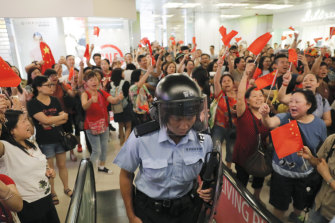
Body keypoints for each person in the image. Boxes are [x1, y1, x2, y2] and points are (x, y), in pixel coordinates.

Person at [114, 74, 213, 223]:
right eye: (177, 119)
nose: (184, 126)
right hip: (149, 210)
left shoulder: (204, 141)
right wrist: (131, 216)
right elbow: (125, 175)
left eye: (190, 118)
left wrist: (209, 189)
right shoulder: (141, 139)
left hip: (186, 210)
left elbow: (208, 174)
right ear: (162, 114)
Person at [259, 89, 327, 221]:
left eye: (297, 101)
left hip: (305, 175)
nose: (292, 104)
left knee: (300, 204)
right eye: (290, 101)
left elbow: (321, 150)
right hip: (282, 174)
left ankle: (295, 216)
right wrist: (265, 115)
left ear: (308, 105)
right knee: (279, 207)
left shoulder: (320, 125)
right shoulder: (284, 118)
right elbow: (269, 123)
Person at [0, 110, 60, 223]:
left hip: (47, 200)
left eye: (27, 119)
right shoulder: (6, 148)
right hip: (28, 206)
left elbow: (40, 165)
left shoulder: (31, 143)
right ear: (12, 130)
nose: (28, 124)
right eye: (23, 121)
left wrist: (49, 171)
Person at [27, 76, 72, 205]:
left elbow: (65, 118)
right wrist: (55, 119)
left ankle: (66, 187)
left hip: (59, 138)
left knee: (62, 165)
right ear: (39, 88)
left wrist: (50, 122)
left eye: (52, 84)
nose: (52, 87)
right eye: (48, 85)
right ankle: (52, 192)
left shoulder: (55, 100)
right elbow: (46, 120)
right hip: (45, 141)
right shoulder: (33, 104)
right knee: (50, 169)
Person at [232, 63, 269, 201]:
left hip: (260, 155)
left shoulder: (267, 114)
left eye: (261, 95)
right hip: (243, 155)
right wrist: (246, 75)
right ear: (247, 100)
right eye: (254, 96)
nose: (259, 98)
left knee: (259, 177)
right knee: (242, 180)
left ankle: (256, 198)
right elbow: (240, 95)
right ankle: (240, 201)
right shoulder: (244, 112)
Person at [81, 71, 123, 174]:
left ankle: (101, 166)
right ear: (86, 83)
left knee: (104, 148)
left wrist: (118, 98)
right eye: (91, 80)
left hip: (104, 124)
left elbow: (112, 100)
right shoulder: (85, 94)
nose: (94, 81)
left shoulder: (101, 92)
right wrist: (91, 101)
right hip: (91, 126)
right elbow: (84, 106)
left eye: (95, 79)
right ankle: (88, 170)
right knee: (97, 150)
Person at [298, 134, 335, 223]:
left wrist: (328, 177)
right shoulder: (332, 139)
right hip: (319, 205)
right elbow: (320, 164)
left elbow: (324, 172)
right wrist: (311, 158)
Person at [211, 57, 237, 169]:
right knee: (215, 148)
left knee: (231, 150)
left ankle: (228, 170)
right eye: (224, 81)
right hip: (219, 127)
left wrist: (237, 111)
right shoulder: (220, 94)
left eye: (228, 81)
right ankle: (216, 168)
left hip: (234, 127)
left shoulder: (239, 96)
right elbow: (215, 80)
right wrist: (219, 67)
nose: (226, 83)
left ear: (233, 83)